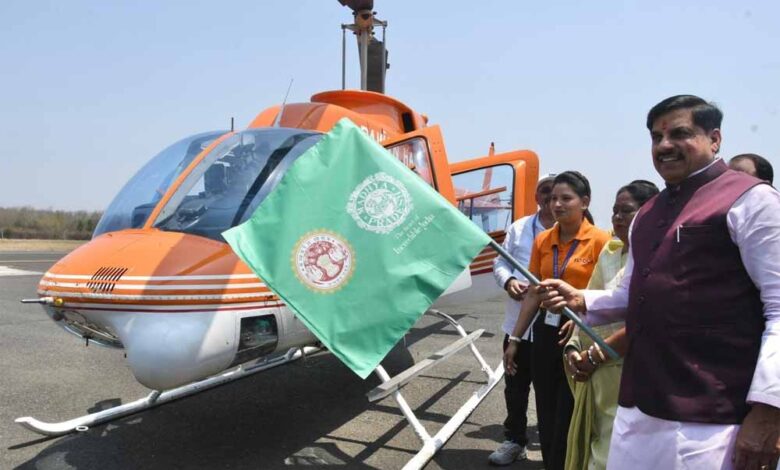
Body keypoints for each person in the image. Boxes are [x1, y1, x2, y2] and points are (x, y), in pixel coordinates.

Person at [539, 95, 780, 470]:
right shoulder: (647, 214)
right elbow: (633, 295)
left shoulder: (752, 201)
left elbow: (778, 309)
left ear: (714, 139)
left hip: (712, 419)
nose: (664, 145)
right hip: (639, 407)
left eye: (679, 134)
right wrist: (581, 299)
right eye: (656, 137)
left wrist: (769, 410)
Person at [504, 171, 611, 470]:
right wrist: (515, 339)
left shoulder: (600, 240)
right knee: (546, 407)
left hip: (581, 331)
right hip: (546, 329)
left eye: (566, 198)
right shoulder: (543, 240)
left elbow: (608, 293)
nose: (557, 205)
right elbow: (534, 293)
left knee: (571, 409)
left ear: (584, 202)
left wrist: (582, 317)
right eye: (553, 199)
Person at [563, 180, 659, 470]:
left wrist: (595, 356)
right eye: (615, 211)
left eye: (626, 211)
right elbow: (589, 304)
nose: (617, 217)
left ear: (647, 214)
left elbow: (646, 319)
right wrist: (573, 347)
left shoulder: (658, 256)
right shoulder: (610, 251)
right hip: (597, 374)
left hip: (632, 370)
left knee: (619, 447)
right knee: (597, 440)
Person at [489, 174, 556, 465]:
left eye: (557, 192)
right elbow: (500, 261)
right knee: (515, 388)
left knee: (550, 391)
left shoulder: (573, 229)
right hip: (516, 326)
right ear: (537, 197)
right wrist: (508, 281)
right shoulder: (519, 228)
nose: (551, 197)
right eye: (545, 191)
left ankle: (554, 448)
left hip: (554, 329)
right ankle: (515, 440)